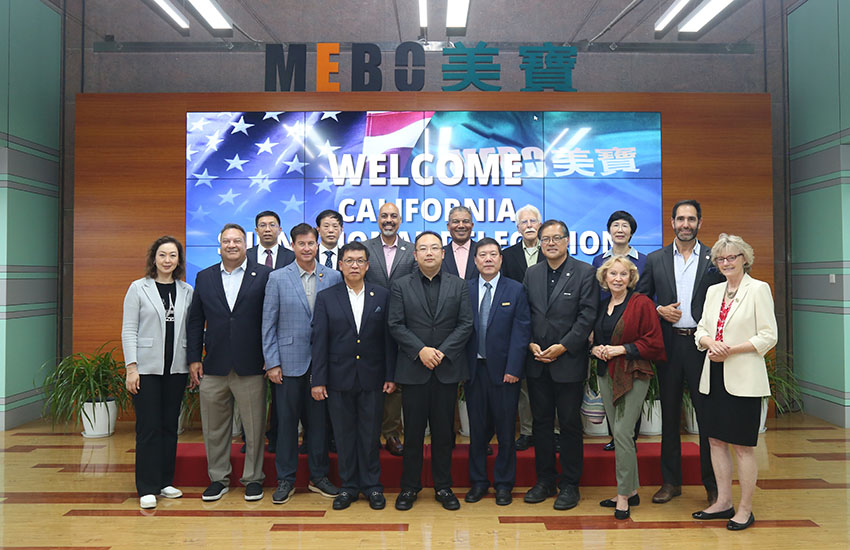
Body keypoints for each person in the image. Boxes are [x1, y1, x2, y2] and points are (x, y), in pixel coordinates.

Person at [636, 200, 724, 505]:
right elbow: (640, 299)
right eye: (681, 219)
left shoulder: (715, 258)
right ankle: (671, 482)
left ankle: (713, 485)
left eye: (691, 219)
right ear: (672, 222)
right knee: (670, 416)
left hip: (703, 346)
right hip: (670, 345)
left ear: (700, 222)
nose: (686, 224)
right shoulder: (655, 259)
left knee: (708, 417)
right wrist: (658, 310)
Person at [692, 234, 777, 531]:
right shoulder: (714, 291)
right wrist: (709, 342)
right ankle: (723, 502)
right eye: (721, 258)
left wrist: (730, 349)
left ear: (745, 259)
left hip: (743, 379)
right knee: (715, 441)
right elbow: (701, 329)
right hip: (713, 376)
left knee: (742, 446)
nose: (726, 262)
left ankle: (745, 509)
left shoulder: (758, 289)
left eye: (732, 257)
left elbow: (768, 335)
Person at [187, 224, 272, 502]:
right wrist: (193, 358)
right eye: (227, 241)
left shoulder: (264, 275)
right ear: (220, 245)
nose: (232, 245)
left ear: (246, 244)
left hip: (252, 364)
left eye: (237, 240)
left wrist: (270, 358)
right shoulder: (205, 277)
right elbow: (196, 320)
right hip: (213, 364)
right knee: (214, 427)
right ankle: (218, 478)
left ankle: (253, 479)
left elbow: (271, 318)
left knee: (254, 427)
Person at [389, 231, 473, 511]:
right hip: (414, 369)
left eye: (434, 248)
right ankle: (409, 487)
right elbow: (396, 324)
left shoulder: (459, 285)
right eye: (423, 248)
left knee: (443, 434)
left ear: (443, 253)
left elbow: (465, 324)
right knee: (413, 434)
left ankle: (443, 486)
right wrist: (421, 350)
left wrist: (442, 352)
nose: (429, 253)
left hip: (446, 369)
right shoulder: (401, 286)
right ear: (415, 255)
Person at [311, 241, 397, 510]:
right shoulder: (327, 297)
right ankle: (348, 487)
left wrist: (390, 375)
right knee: (344, 435)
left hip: (373, 377)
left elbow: (389, 340)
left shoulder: (382, 295)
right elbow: (319, 341)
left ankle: (372, 486)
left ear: (367, 265)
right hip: (339, 378)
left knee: (370, 435)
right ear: (340, 265)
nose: (355, 266)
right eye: (349, 261)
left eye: (360, 261)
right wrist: (318, 380)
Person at [262, 223, 342, 505]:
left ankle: (319, 477)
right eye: (301, 244)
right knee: (286, 425)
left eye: (311, 243)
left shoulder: (333, 276)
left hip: (321, 364)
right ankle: (285, 479)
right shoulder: (277, 278)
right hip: (287, 364)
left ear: (317, 245)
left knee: (319, 425)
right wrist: (272, 363)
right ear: (292, 246)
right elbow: (268, 324)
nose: (307, 248)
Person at [523, 220, 598, 510]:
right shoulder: (532, 273)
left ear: (567, 241)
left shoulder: (584, 272)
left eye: (556, 238)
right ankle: (544, 480)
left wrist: (563, 347)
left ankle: (569, 484)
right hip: (537, 360)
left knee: (568, 424)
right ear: (539, 243)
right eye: (546, 239)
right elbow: (525, 314)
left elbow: (587, 316)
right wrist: (531, 343)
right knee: (541, 424)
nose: (551, 243)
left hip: (568, 361)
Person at [590, 256, 665, 519]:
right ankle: (631, 490)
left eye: (623, 274)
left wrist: (622, 349)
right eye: (613, 273)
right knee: (619, 433)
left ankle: (622, 496)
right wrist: (595, 349)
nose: (618, 278)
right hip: (606, 374)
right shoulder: (602, 305)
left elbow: (654, 341)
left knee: (622, 433)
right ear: (604, 277)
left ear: (631, 278)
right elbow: (595, 339)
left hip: (634, 373)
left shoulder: (642, 303)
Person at [121, 236, 193, 509]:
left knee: (169, 425)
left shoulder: (187, 290)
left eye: (172, 255)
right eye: (162, 255)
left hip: (176, 368)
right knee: (149, 427)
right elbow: (129, 329)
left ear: (179, 260)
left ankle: (164, 481)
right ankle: (147, 487)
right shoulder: (138, 288)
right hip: (146, 369)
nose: (167, 260)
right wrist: (131, 367)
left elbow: (191, 329)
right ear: (154, 258)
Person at [463, 238, 531, 507]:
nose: (488, 259)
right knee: (477, 431)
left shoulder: (515, 289)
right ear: (475, 260)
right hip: (474, 371)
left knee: (505, 432)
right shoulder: (465, 289)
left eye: (493, 254)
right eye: (483, 255)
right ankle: (478, 481)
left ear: (501, 259)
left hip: (505, 372)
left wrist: (514, 368)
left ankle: (504, 484)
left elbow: (521, 331)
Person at [363, 202, 416, 457]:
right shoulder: (364, 248)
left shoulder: (412, 250)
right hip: (368, 323)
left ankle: (392, 433)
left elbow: (414, 285)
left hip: (402, 323)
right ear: (377, 219)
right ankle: (370, 433)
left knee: (396, 380)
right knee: (371, 379)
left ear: (400, 220)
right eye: (384, 215)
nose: (389, 220)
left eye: (393, 216)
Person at [592, 210, 647, 452]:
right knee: (609, 385)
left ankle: (628, 437)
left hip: (632, 331)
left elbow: (648, 294)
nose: (620, 229)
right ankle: (617, 436)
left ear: (632, 231)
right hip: (605, 328)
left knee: (631, 385)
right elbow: (594, 297)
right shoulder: (598, 260)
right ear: (609, 230)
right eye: (615, 225)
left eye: (625, 225)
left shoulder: (644, 260)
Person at [247, 210, 295, 454]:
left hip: (283, 332)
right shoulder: (245, 256)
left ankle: (276, 437)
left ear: (280, 229)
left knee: (280, 390)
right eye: (262, 225)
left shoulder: (291, 256)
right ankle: (250, 440)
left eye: (272, 225)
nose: (267, 229)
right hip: (250, 332)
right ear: (256, 230)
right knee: (250, 390)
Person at [501, 204, 545, 452]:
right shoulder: (506, 256)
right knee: (524, 384)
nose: (529, 226)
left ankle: (553, 431)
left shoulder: (552, 251)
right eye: (524, 222)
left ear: (540, 225)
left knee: (549, 382)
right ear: (518, 228)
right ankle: (527, 431)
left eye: (533, 221)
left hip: (547, 325)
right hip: (516, 326)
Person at [442, 205, 478, 280]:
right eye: (456, 222)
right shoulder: (439, 254)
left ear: (472, 226)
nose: (461, 225)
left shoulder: (482, 252)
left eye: (465, 221)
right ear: (448, 226)